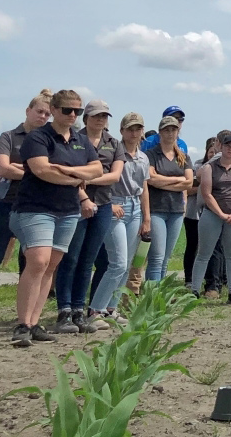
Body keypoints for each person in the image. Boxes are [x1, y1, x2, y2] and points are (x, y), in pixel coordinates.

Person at [10, 89, 103, 347]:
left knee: (50, 265)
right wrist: (76, 176)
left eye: (78, 111)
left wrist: (62, 168)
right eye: (67, 110)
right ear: (54, 109)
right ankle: (22, 325)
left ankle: (35, 322)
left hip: (68, 210)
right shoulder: (38, 137)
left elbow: (96, 169)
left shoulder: (80, 140)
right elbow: (41, 170)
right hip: (35, 207)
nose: (73, 115)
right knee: (37, 261)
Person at [52, 99, 124, 333]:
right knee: (70, 258)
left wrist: (87, 178)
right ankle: (64, 310)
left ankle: (78, 310)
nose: (101, 120)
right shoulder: (74, 140)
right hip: (74, 204)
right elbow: (65, 172)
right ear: (87, 118)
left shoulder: (114, 143)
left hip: (103, 204)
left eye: (104, 116)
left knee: (87, 260)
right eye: (96, 116)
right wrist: (82, 193)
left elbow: (115, 176)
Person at [0, 89, 52, 307]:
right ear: (28, 110)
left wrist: (23, 169)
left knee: (30, 263)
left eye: (47, 114)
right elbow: (3, 169)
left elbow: (54, 171)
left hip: (35, 206)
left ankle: (24, 318)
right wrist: (38, 172)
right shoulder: (9, 136)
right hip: (6, 203)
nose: (43, 117)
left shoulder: (49, 141)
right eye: (39, 111)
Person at [86, 112, 149, 322]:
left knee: (128, 262)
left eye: (138, 128)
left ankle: (111, 309)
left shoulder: (143, 157)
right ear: (121, 131)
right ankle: (95, 309)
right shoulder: (114, 150)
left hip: (135, 207)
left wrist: (146, 217)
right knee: (118, 263)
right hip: (115, 205)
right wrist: (110, 203)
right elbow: (106, 179)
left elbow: (144, 188)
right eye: (130, 128)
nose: (134, 132)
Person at [189, 134, 231, 303]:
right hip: (212, 215)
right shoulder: (210, 167)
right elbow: (207, 193)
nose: (230, 149)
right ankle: (194, 291)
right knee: (204, 254)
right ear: (221, 147)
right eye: (228, 145)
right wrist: (221, 214)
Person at [145, 116, 194, 281]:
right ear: (160, 132)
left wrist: (162, 182)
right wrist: (177, 180)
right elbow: (151, 178)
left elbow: (189, 183)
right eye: (166, 130)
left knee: (165, 258)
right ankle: (151, 297)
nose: (170, 133)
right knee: (156, 257)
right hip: (156, 209)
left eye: (173, 129)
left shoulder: (183, 157)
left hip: (176, 210)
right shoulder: (151, 154)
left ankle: (160, 297)